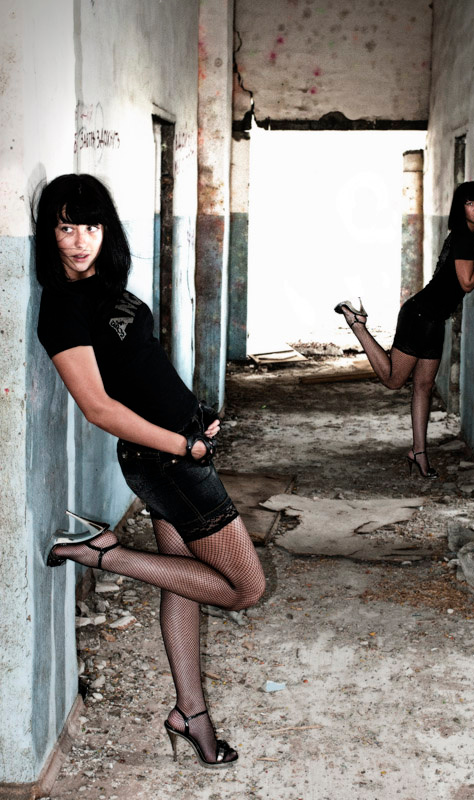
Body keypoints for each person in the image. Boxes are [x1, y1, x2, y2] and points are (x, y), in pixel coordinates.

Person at [35, 173, 266, 768]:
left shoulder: (109, 288)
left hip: (176, 449)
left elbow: (145, 367)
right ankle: (103, 554)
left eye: (90, 226)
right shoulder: (61, 309)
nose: (80, 240)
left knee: (182, 581)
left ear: (106, 230)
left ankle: (190, 714)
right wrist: (184, 446)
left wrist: (196, 416)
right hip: (165, 463)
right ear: (48, 234)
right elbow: (98, 407)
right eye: (66, 228)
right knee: (247, 588)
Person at [335, 180, 474, 478]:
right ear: (460, 208)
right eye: (469, 203)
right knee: (394, 380)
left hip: (434, 319)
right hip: (420, 316)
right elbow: (467, 284)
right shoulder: (464, 238)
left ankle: (419, 452)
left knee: (423, 387)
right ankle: (357, 325)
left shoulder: (466, 235)